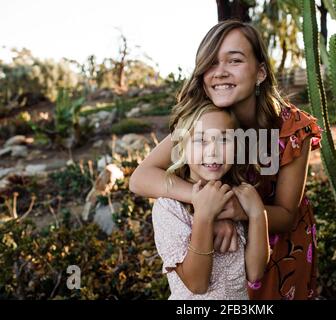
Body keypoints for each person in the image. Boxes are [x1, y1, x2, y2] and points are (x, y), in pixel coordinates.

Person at [130, 20, 322, 299]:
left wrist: (238, 210)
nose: (219, 72)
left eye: (234, 60)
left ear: (260, 73)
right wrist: (206, 202)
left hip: (280, 252)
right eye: (211, 63)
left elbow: (286, 215)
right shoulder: (203, 120)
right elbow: (141, 178)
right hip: (222, 253)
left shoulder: (291, 128)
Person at [152, 103, 269, 299]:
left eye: (224, 140)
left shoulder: (239, 198)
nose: (213, 151)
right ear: (181, 146)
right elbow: (197, 285)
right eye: (200, 140)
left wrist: (258, 214)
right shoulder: (169, 208)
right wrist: (205, 217)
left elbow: (255, 273)